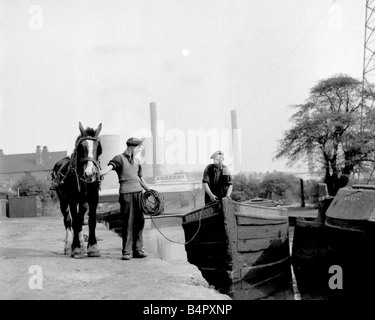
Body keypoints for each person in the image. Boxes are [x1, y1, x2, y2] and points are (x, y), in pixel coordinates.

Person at [100, 137, 150, 260]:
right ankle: (126, 252)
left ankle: (138, 250)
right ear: (132, 147)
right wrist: (100, 173)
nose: (139, 151)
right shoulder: (119, 158)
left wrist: (149, 190)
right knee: (128, 222)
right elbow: (109, 168)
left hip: (138, 193)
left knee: (140, 222)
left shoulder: (137, 161)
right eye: (138, 148)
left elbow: (139, 178)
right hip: (126, 194)